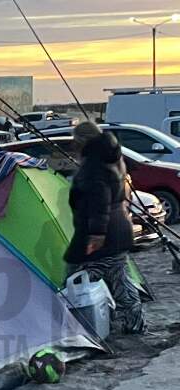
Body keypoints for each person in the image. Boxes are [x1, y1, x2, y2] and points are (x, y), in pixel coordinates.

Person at [64, 121, 145, 334]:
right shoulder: (110, 157)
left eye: (75, 140)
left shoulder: (94, 165)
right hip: (118, 228)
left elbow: (99, 200)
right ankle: (132, 322)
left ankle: (86, 324)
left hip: (103, 234)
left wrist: (97, 235)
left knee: (77, 277)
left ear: (83, 141)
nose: (73, 144)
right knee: (118, 277)